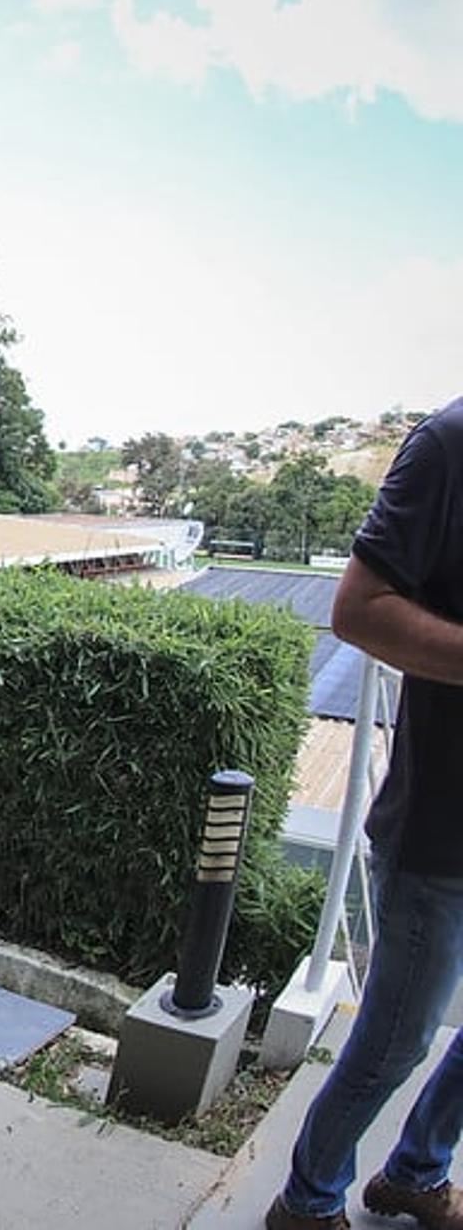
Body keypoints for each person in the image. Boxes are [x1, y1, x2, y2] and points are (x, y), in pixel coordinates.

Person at [265, 399, 463, 1230]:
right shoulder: (449, 445)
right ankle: (307, 1203)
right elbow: (358, 610)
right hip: (442, 830)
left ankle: (417, 1171)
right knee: (393, 1044)